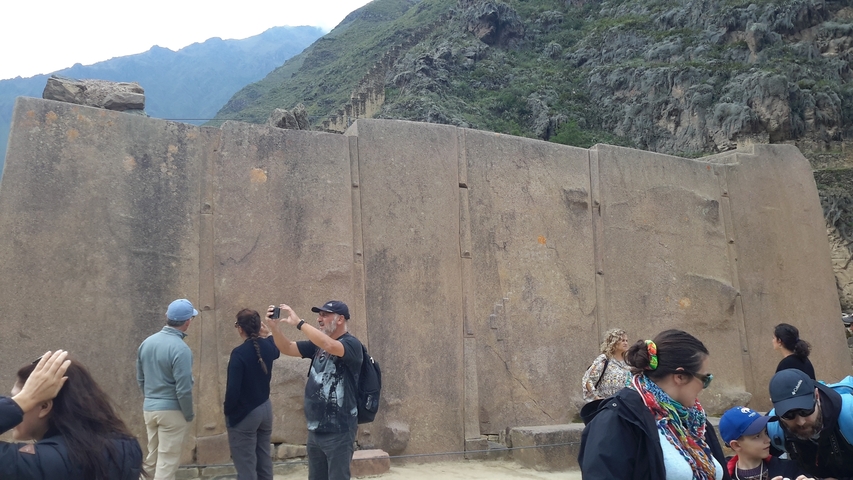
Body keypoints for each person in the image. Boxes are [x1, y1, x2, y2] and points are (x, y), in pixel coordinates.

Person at [578, 329, 731, 480]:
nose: (704, 386)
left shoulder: (695, 420)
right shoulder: (617, 420)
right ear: (680, 376)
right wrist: (596, 397)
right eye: (705, 379)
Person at [0, 350, 144, 479]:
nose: (14, 404)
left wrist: (23, 401)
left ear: (44, 407)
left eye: (17, 399)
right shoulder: (127, 447)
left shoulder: (43, 461)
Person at [265, 300, 363, 480]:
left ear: (340, 319)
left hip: (339, 430)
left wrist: (299, 323)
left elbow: (331, 346)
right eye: (319, 315)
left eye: (325, 315)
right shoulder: (317, 345)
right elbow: (287, 347)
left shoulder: (352, 344)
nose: (319, 319)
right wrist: (275, 329)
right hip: (315, 430)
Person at [137, 298, 197, 480]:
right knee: (167, 462)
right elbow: (184, 389)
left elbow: (141, 378)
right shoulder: (181, 349)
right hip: (172, 410)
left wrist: (151, 400)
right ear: (188, 321)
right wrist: (188, 414)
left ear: (167, 317)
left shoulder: (146, 343)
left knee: (151, 459)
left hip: (150, 408)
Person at [766, 368, 853, 479]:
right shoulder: (772, 426)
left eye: (806, 411)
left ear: (817, 396)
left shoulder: (849, 414)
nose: (801, 422)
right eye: (788, 415)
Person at [224, 308, 280, 480]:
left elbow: (233, 389)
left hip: (245, 413)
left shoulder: (239, 354)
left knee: (246, 464)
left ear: (240, 328)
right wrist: (269, 333)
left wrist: (228, 411)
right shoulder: (267, 346)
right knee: (264, 461)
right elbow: (277, 351)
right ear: (258, 327)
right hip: (265, 408)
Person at [719, 406, 811, 480]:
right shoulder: (720, 475)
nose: (768, 439)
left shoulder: (790, 469)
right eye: (757, 436)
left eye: (765, 432)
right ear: (736, 445)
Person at [581, 328, 631, 403]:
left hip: (624, 407)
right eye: (622, 340)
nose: (626, 343)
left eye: (626, 341)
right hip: (607, 407)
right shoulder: (604, 360)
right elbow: (587, 380)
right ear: (614, 342)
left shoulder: (628, 362)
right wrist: (596, 398)